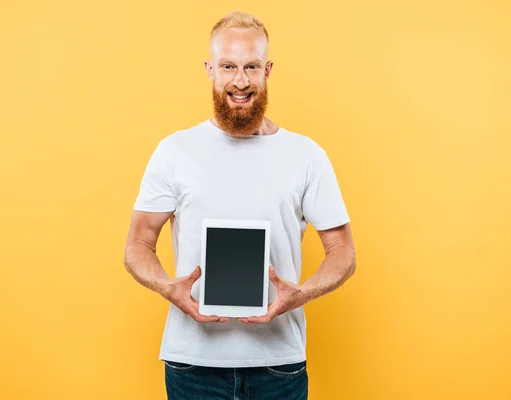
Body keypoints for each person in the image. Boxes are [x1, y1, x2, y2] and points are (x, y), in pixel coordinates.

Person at [124, 10, 356, 400]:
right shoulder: (175, 152)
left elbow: (343, 251)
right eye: (228, 66)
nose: (240, 81)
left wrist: (303, 293)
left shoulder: (305, 155)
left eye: (251, 67)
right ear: (209, 70)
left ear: (267, 70)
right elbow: (138, 242)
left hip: (278, 366)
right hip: (192, 364)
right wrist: (168, 288)